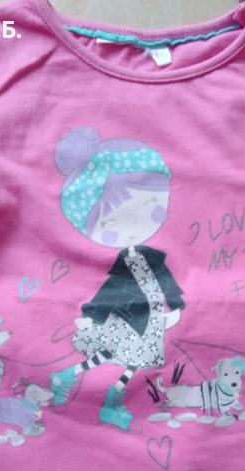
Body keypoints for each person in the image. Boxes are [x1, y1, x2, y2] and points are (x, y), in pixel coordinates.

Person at [49, 127, 185, 431]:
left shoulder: (153, 257)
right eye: (113, 222)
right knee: (114, 355)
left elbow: (164, 279)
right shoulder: (123, 264)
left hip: (150, 322)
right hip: (128, 320)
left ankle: (105, 398)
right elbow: (110, 290)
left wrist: (175, 305)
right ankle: (74, 379)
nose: (138, 224)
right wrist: (91, 315)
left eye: (152, 207)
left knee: (129, 361)